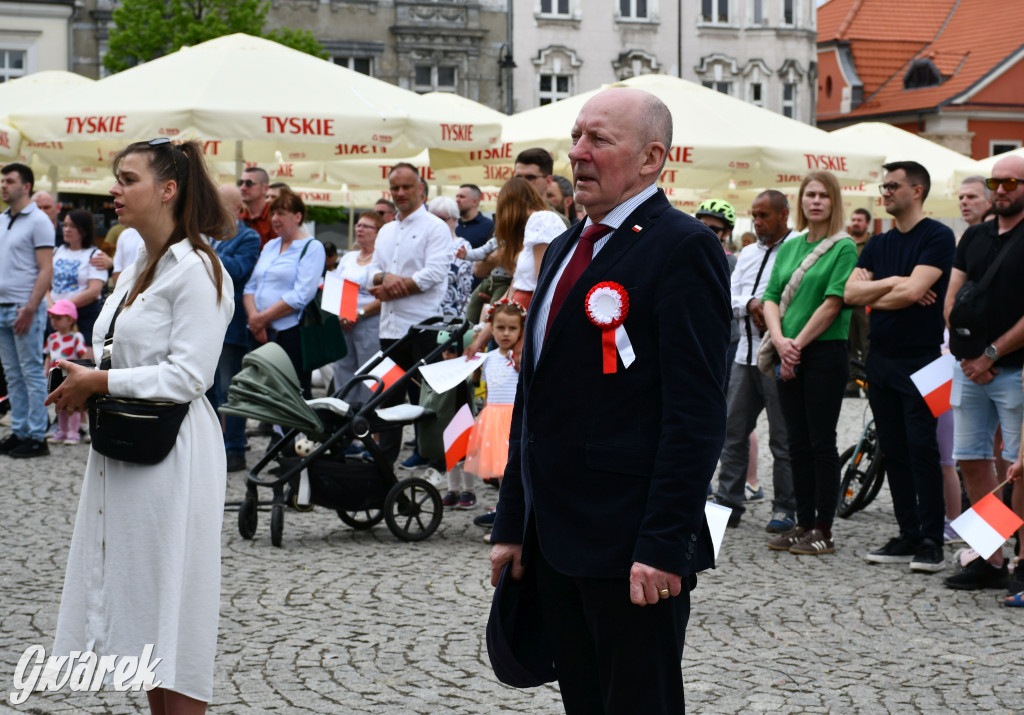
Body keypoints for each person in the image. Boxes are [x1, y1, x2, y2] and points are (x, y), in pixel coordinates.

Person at [489, 87, 730, 713]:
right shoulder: (566, 246)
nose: (577, 152)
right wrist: (513, 523)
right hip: (555, 539)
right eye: (576, 136)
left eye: (599, 139)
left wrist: (663, 545)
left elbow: (696, 414)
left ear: (651, 158)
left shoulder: (683, 246)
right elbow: (534, 401)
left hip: (630, 544)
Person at [46, 137, 234, 713]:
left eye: (128, 179)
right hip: (125, 444)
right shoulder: (133, 270)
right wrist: (84, 380)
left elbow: (189, 375)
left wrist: (99, 382)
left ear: (168, 189)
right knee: (145, 600)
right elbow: (121, 355)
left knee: (175, 602)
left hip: (173, 451)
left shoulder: (198, 270)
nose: (115, 189)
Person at [845, 161, 956, 573]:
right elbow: (850, 294)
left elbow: (913, 291)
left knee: (923, 448)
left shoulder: (938, 236)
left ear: (917, 190)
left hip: (926, 359)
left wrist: (883, 291)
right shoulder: (878, 242)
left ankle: (931, 539)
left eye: (893, 186)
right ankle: (907, 532)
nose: (886, 193)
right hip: (881, 358)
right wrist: (896, 284)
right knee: (893, 448)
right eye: (884, 186)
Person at [762, 171, 858, 556]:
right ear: (800, 201)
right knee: (795, 442)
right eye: (810, 194)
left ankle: (823, 528)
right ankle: (802, 522)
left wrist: (795, 346)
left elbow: (833, 303)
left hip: (824, 352)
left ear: (834, 202)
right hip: (789, 349)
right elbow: (771, 297)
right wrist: (781, 341)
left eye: (823, 195)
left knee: (821, 442)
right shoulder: (790, 247)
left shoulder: (844, 247)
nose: (815, 201)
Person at [942, 155, 1024, 590]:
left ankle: (1022, 561)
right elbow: (952, 299)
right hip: (969, 368)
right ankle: (989, 557)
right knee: (971, 459)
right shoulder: (975, 235)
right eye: (996, 182)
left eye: (1012, 182)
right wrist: (969, 356)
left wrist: (989, 355)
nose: (1002, 189)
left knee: (1019, 468)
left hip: (1015, 370)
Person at [713, 190, 797, 533]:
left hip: (778, 357)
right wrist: (750, 304)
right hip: (744, 356)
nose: (757, 222)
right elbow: (729, 295)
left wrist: (771, 310)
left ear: (783, 215)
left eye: (764, 215)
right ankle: (727, 503)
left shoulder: (797, 248)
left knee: (783, 438)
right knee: (733, 432)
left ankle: (785, 507)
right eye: (754, 215)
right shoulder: (747, 253)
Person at [367, 163, 451, 466]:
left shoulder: (435, 227)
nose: (400, 193)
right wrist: (384, 279)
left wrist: (392, 287)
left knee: (425, 400)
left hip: (422, 328)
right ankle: (384, 464)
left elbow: (435, 273)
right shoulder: (386, 230)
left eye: (406, 187)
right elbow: (371, 272)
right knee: (387, 398)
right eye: (395, 188)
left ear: (420, 189)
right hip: (389, 329)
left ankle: (432, 459)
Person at [243, 190, 325, 399]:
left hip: (289, 333)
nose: (274, 219)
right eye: (273, 213)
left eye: (281, 213)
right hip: (260, 331)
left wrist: (262, 319)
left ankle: (293, 425)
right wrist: (255, 319)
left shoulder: (312, 247)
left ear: (297, 217)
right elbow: (250, 287)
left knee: (291, 392)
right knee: (263, 392)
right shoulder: (271, 245)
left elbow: (302, 295)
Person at [0, 162, 55, 459]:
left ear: (26, 186)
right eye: (2, 180)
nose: (3, 185)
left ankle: (36, 436)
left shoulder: (39, 220)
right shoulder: (2, 219)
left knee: (31, 372)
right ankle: (20, 431)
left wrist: (31, 307)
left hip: (25, 308)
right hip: (2, 308)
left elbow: (46, 269)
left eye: (9, 181)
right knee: (12, 374)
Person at [461, 299, 525, 532]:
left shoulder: (521, 357)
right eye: (500, 328)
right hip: (494, 419)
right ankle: (504, 511)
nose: (506, 333)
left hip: (515, 418)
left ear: (521, 329)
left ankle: (516, 515)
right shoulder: (488, 358)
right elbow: (488, 390)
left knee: (515, 470)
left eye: (512, 328)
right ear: (491, 328)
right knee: (500, 470)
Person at [211, 185, 261, 473]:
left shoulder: (248, 237)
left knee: (231, 390)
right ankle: (215, 445)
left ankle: (235, 448)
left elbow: (237, 269)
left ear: (236, 210)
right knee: (211, 389)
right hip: (211, 323)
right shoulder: (209, 236)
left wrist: (202, 252)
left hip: (232, 326)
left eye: (218, 205)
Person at [330, 211, 384, 403]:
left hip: (370, 321)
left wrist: (359, 313)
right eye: (358, 225)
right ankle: (344, 411)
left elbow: (386, 295)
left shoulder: (382, 259)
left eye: (365, 226)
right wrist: (341, 315)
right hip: (344, 321)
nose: (359, 229)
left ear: (378, 232)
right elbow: (337, 287)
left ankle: (368, 414)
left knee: (369, 371)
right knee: (342, 369)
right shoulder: (348, 257)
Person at [49, 209, 109, 355]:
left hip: (83, 314)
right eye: (65, 225)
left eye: (73, 226)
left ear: (84, 230)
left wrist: (64, 308)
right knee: (55, 358)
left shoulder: (94, 254)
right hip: (54, 315)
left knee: (84, 359)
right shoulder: (56, 251)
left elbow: (94, 291)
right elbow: (45, 284)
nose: (67, 229)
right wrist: (52, 308)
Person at [695, 199, 741, 378]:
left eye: (713, 229)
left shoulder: (730, 261)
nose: (705, 231)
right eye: (701, 224)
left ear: (726, 233)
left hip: (724, 339)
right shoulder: (689, 253)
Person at [43, 300, 88, 445]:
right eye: (52, 318)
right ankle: (62, 431)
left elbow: (82, 356)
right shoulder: (52, 338)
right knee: (60, 405)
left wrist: (82, 374)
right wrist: (46, 369)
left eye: (58, 318)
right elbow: (48, 356)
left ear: (70, 320)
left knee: (72, 405)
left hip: (70, 377)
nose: (53, 321)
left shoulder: (77, 337)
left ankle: (74, 432)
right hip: (56, 377)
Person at [429, 196, 473, 320]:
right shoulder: (428, 244)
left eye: (441, 219)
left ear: (454, 220)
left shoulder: (462, 246)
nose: (436, 222)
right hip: (429, 311)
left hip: (453, 313)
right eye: (432, 218)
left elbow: (448, 275)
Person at [846, 207, 873, 397]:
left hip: (866, 303)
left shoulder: (873, 244)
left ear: (867, 224)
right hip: (846, 302)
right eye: (853, 219)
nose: (855, 223)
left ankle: (868, 384)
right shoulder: (845, 243)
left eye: (859, 220)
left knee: (867, 344)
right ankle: (853, 384)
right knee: (849, 345)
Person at [514, 147, 571, 228]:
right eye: (518, 178)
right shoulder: (505, 216)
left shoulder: (558, 222)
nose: (522, 183)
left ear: (548, 181)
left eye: (530, 178)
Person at [238, 166, 273, 247]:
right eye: (240, 182)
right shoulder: (239, 219)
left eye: (249, 183)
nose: (242, 188)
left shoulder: (275, 219)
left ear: (265, 189)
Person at [455, 183, 494, 248]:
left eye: (462, 197)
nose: (457, 200)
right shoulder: (452, 224)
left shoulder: (489, 226)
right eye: (457, 196)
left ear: (475, 202)